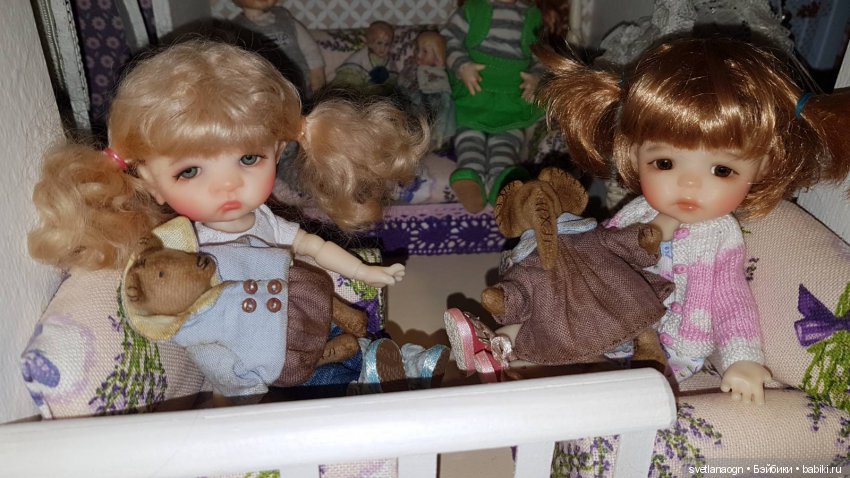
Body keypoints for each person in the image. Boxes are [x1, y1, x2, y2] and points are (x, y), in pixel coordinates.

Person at [27, 39, 438, 400]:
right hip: (261, 364)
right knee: (325, 384)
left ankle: (401, 365)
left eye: (249, 159)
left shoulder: (264, 221)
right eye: (190, 171)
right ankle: (376, 382)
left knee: (351, 349)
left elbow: (312, 246)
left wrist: (364, 270)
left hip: (303, 316)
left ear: (277, 152)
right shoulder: (176, 247)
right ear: (150, 182)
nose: (227, 185)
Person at [533, 36, 850, 404]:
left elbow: (732, 301)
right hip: (609, 327)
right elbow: (601, 257)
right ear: (633, 156)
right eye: (665, 163)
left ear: (762, 167)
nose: (689, 184)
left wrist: (743, 360)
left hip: (672, 353)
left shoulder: (718, 236)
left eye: (721, 169)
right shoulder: (637, 212)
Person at [442, 0, 545, 213]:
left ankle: (501, 180)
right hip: (475, 91)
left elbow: (542, 55)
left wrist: (537, 77)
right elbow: (449, 39)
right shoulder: (473, 9)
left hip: (512, 97)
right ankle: (471, 174)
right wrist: (461, 65)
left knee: (507, 138)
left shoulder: (532, 16)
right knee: (469, 132)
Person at [231, 0, 327, 97]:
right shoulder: (236, 29)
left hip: (300, 88)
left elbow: (310, 50)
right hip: (262, 92)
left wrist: (317, 77)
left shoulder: (286, 20)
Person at [409, 30, 455, 149]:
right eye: (418, 50)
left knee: (441, 117)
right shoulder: (417, 68)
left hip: (440, 98)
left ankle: (440, 139)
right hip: (422, 97)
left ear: (437, 55)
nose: (419, 55)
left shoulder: (442, 72)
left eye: (424, 51)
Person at [333, 21, 398, 94]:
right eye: (379, 43)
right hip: (359, 89)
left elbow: (392, 79)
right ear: (370, 43)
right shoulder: (360, 58)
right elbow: (352, 81)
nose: (383, 48)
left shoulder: (389, 60)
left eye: (387, 44)